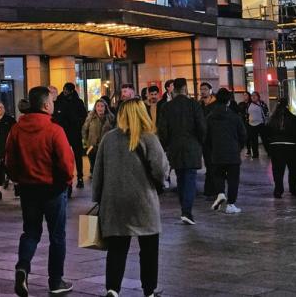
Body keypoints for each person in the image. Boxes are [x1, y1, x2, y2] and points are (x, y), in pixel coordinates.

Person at [92, 99, 169, 297]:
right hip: (143, 200)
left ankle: (113, 288)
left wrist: (98, 198)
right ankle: (149, 290)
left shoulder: (108, 139)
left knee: (117, 248)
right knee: (149, 248)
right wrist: (163, 184)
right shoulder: (149, 138)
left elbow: (98, 172)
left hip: (114, 202)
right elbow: (160, 170)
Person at [5, 86, 76, 296]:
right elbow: (65, 162)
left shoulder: (16, 129)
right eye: (52, 102)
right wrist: (67, 180)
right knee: (57, 236)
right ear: (46, 105)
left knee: (31, 232)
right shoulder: (54, 129)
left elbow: (9, 160)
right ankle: (55, 281)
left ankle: (22, 267)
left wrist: (19, 179)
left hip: (28, 190)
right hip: (53, 190)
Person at [157, 77, 205, 224]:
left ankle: (184, 209)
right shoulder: (194, 105)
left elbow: (162, 131)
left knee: (180, 177)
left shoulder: (166, 107)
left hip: (174, 147)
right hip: (192, 146)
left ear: (174, 89)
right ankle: (187, 212)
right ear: (185, 88)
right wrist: (200, 143)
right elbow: (202, 127)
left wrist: (165, 146)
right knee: (190, 178)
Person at [204, 89, 246, 214]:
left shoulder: (210, 117)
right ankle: (231, 204)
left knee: (218, 175)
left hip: (217, 152)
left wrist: (212, 148)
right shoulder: (235, 117)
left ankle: (221, 193)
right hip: (232, 152)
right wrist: (238, 147)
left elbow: (206, 136)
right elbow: (243, 135)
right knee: (233, 179)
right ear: (228, 101)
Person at [51, 83, 86, 190]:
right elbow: (55, 115)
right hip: (64, 132)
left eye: (67, 90)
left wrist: (78, 123)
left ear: (71, 91)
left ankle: (80, 177)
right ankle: (66, 178)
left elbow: (83, 115)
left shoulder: (78, 102)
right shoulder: (59, 101)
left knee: (77, 155)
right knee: (63, 157)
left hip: (75, 132)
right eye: (64, 89)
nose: (65, 91)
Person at [263, 102, 296, 198]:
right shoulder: (294, 119)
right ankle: (295, 189)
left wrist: (269, 147)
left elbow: (266, 134)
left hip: (276, 147)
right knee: (293, 169)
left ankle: (278, 190)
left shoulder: (272, 119)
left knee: (277, 170)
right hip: (291, 146)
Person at [81, 99, 115, 179]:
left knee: (103, 162)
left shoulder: (110, 118)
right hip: (92, 145)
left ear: (105, 107)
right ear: (95, 107)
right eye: (98, 106)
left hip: (105, 145)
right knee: (93, 162)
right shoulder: (90, 117)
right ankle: (93, 174)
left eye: (102, 106)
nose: (100, 108)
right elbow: (84, 130)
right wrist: (85, 143)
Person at [243, 91, 267, 160]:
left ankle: (269, 152)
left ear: (258, 97)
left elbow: (265, 112)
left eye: (255, 95)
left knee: (264, 139)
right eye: (252, 95)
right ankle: (255, 154)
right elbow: (247, 113)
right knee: (253, 140)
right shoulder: (249, 104)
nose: (253, 97)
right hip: (251, 124)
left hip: (260, 123)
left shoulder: (262, 103)